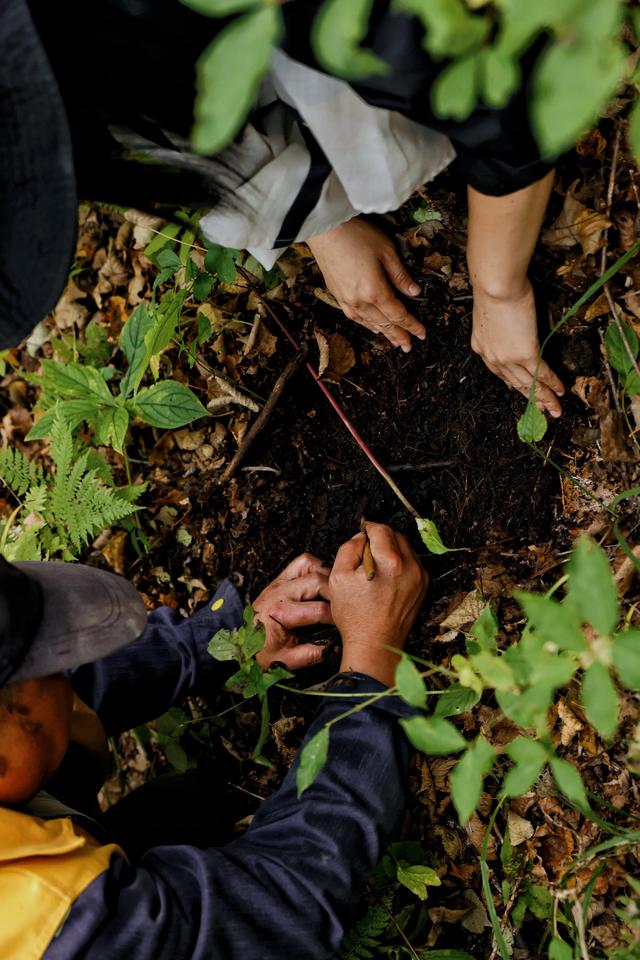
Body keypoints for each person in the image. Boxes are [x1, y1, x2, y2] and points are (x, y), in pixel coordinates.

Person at [2, 0, 565, 417]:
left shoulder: (355, 19)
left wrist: (498, 287)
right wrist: (324, 223)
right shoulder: (98, 48)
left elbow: (508, 94)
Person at [0, 522, 428, 959]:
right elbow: (277, 914)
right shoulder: (41, 924)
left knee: (187, 803)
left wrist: (229, 638)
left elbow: (85, 683)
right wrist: (372, 662)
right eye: (52, 666)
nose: (66, 668)